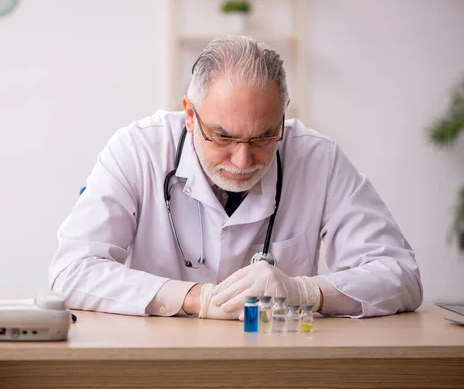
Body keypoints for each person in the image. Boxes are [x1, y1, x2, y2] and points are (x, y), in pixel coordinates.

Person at [48, 36, 423, 319]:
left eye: (263, 136)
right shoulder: (137, 150)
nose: (243, 159)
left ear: (283, 114)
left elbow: (401, 275)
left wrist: (305, 291)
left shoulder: (317, 158)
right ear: (190, 115)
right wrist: (197, 298)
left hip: (278, 366)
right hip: (158, 360)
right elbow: (72, 271)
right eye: (223, 136)